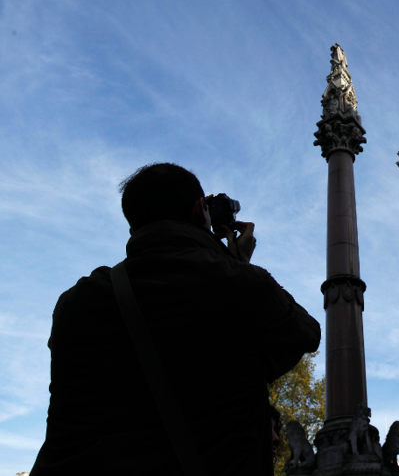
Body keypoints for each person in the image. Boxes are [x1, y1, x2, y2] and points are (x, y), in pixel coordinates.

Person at [30, 163, 321, 475]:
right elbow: (306, 334)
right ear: (200, 210)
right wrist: (238, 264)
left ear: (134, 224)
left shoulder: (77, 302)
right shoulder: (238, 285)